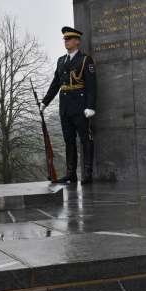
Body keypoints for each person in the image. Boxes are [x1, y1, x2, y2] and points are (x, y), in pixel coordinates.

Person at [41, 27, 97, 184]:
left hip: (81, 106)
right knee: (69, 140)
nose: (66, 41)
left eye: (69, 39)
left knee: (85, 139)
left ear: (77, 41)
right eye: (65, 39)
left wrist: (90, 106)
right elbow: (55, 84)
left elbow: (92, 85)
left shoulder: (85, 60)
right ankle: (71, 173)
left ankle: (87, 173)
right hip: (65, 107)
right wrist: (45, 101)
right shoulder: (61, 61)